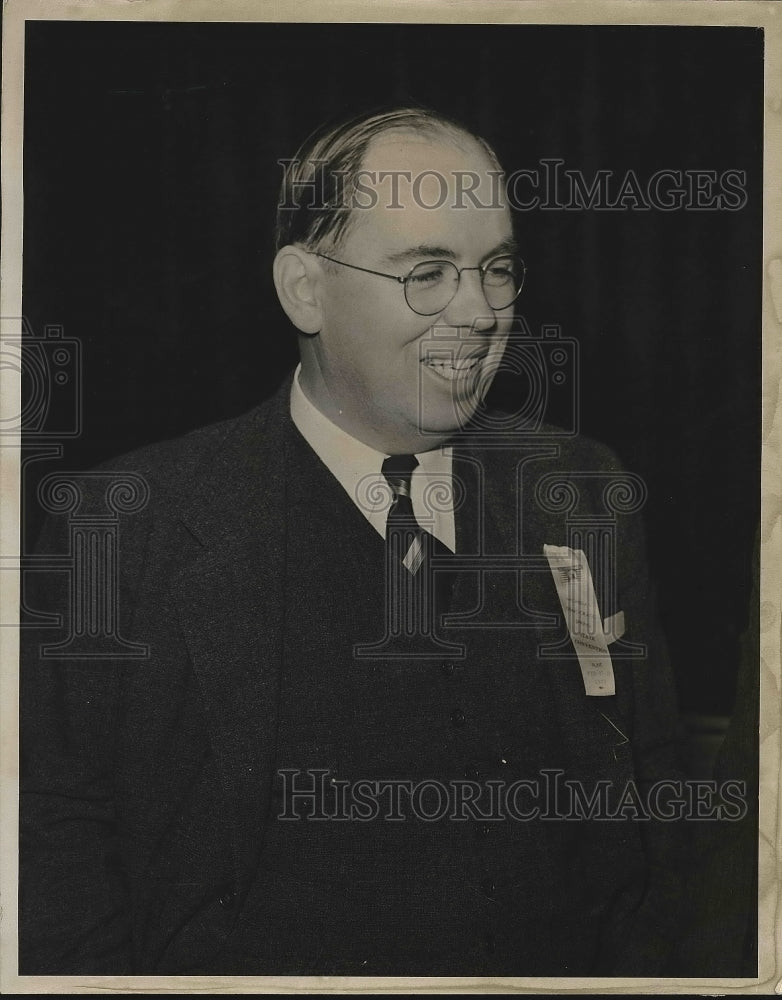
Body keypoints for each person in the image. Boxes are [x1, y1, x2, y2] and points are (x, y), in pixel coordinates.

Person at [20, 107, 688, 977]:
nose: (481, 312)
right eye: (427, 272)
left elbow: (658, 805)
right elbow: (53, 850)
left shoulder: (581, 492)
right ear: (304, 288)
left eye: (497, 269)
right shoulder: (126, 526)